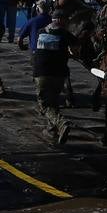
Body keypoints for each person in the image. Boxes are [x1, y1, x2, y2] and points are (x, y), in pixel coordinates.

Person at [33, 10, 73, 143]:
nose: (68, 22)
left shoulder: (40, 31)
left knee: (44, 105)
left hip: (42, 73)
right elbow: (77, 44)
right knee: (53, 101)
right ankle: (52, 130)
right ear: (61, 20)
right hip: (59, 74)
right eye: (67, 20)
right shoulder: (65, 33)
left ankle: (61, 124)